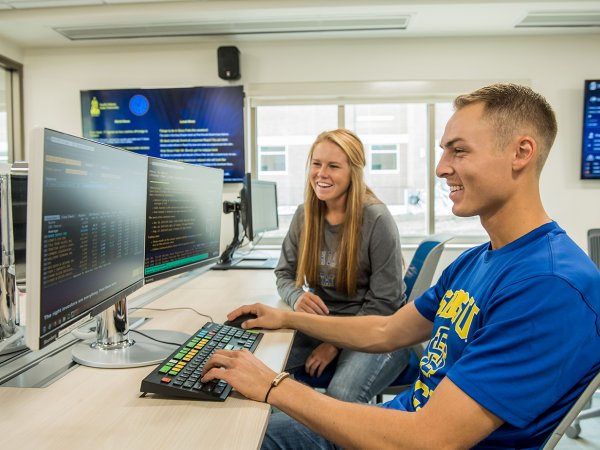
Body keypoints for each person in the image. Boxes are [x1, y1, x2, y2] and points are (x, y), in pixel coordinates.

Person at [202, 84, 600, 449]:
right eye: (444, 151)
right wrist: (287, 319)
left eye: (458, 151)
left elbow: (432, 439)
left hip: (408, 438)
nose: (441, 168)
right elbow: (387, 329)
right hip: (396, 423)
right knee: (230, 427)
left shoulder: (549, 285)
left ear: (521, 152)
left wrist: (273, 385)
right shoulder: (478, 259)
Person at [275, 128, 410, 403]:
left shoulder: (376, 219)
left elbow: (385, 302)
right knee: (264, 366)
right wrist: (297, 296)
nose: (321, 174)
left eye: (333, 166)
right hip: (324, 325)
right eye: (316, 163)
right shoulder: (305, 214)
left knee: (341, 396)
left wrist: (334, 343)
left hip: (380, 329)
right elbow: (284, 274)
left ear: (353, 173)